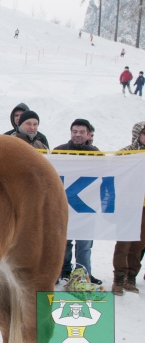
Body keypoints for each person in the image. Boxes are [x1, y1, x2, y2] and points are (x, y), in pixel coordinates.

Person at [54, 119, 101, 286]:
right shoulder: (58, 152)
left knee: (84, 245)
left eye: (81, 132)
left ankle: (83, 274)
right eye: (75, 131)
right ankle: (63, 271)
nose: (78, 135)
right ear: (70, 132)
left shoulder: (96, 153)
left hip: (86, 208)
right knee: (64, 242)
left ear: (88, 135)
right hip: (64, 206)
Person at [111, 122, 145, 295]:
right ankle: (118, 279)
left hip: (144, 207)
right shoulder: (125, 153)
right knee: (123, 243)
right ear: (137, 134)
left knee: (139, 244)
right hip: (128, 205)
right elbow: (113, 174)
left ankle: (130, 277)